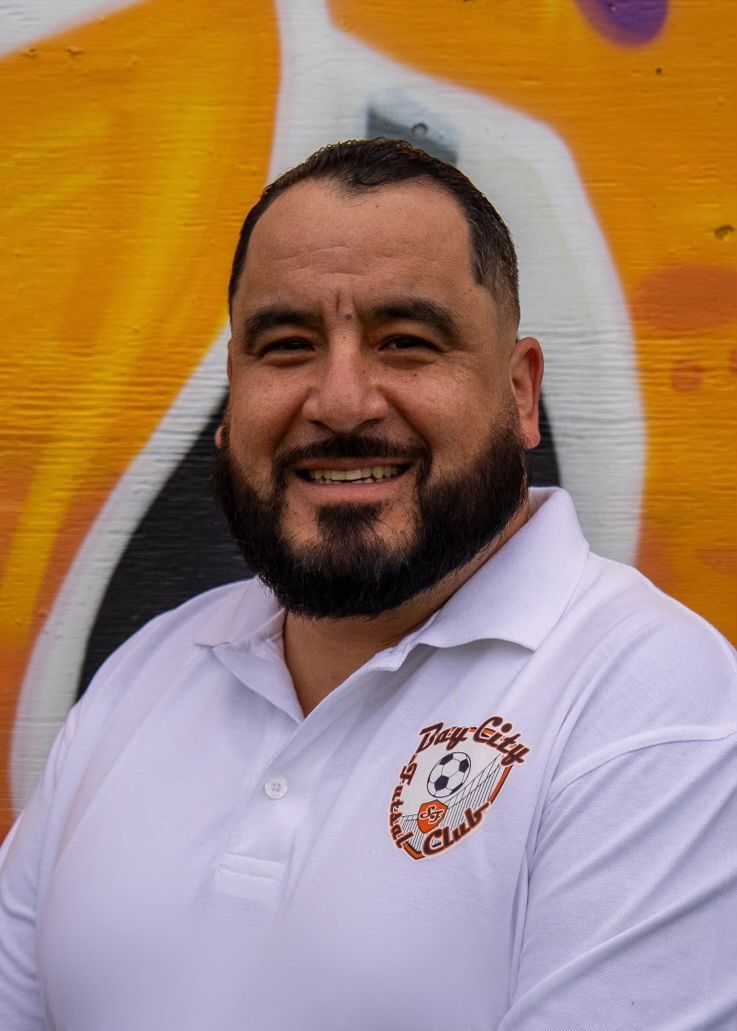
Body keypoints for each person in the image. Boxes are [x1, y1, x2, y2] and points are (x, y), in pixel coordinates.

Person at [1, 139, 735, 1031]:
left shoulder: (652, 705)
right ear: (232, 398)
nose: (342, 401)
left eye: (405, 342)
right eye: (287, 345)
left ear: (519, 392)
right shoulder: (144, 677)